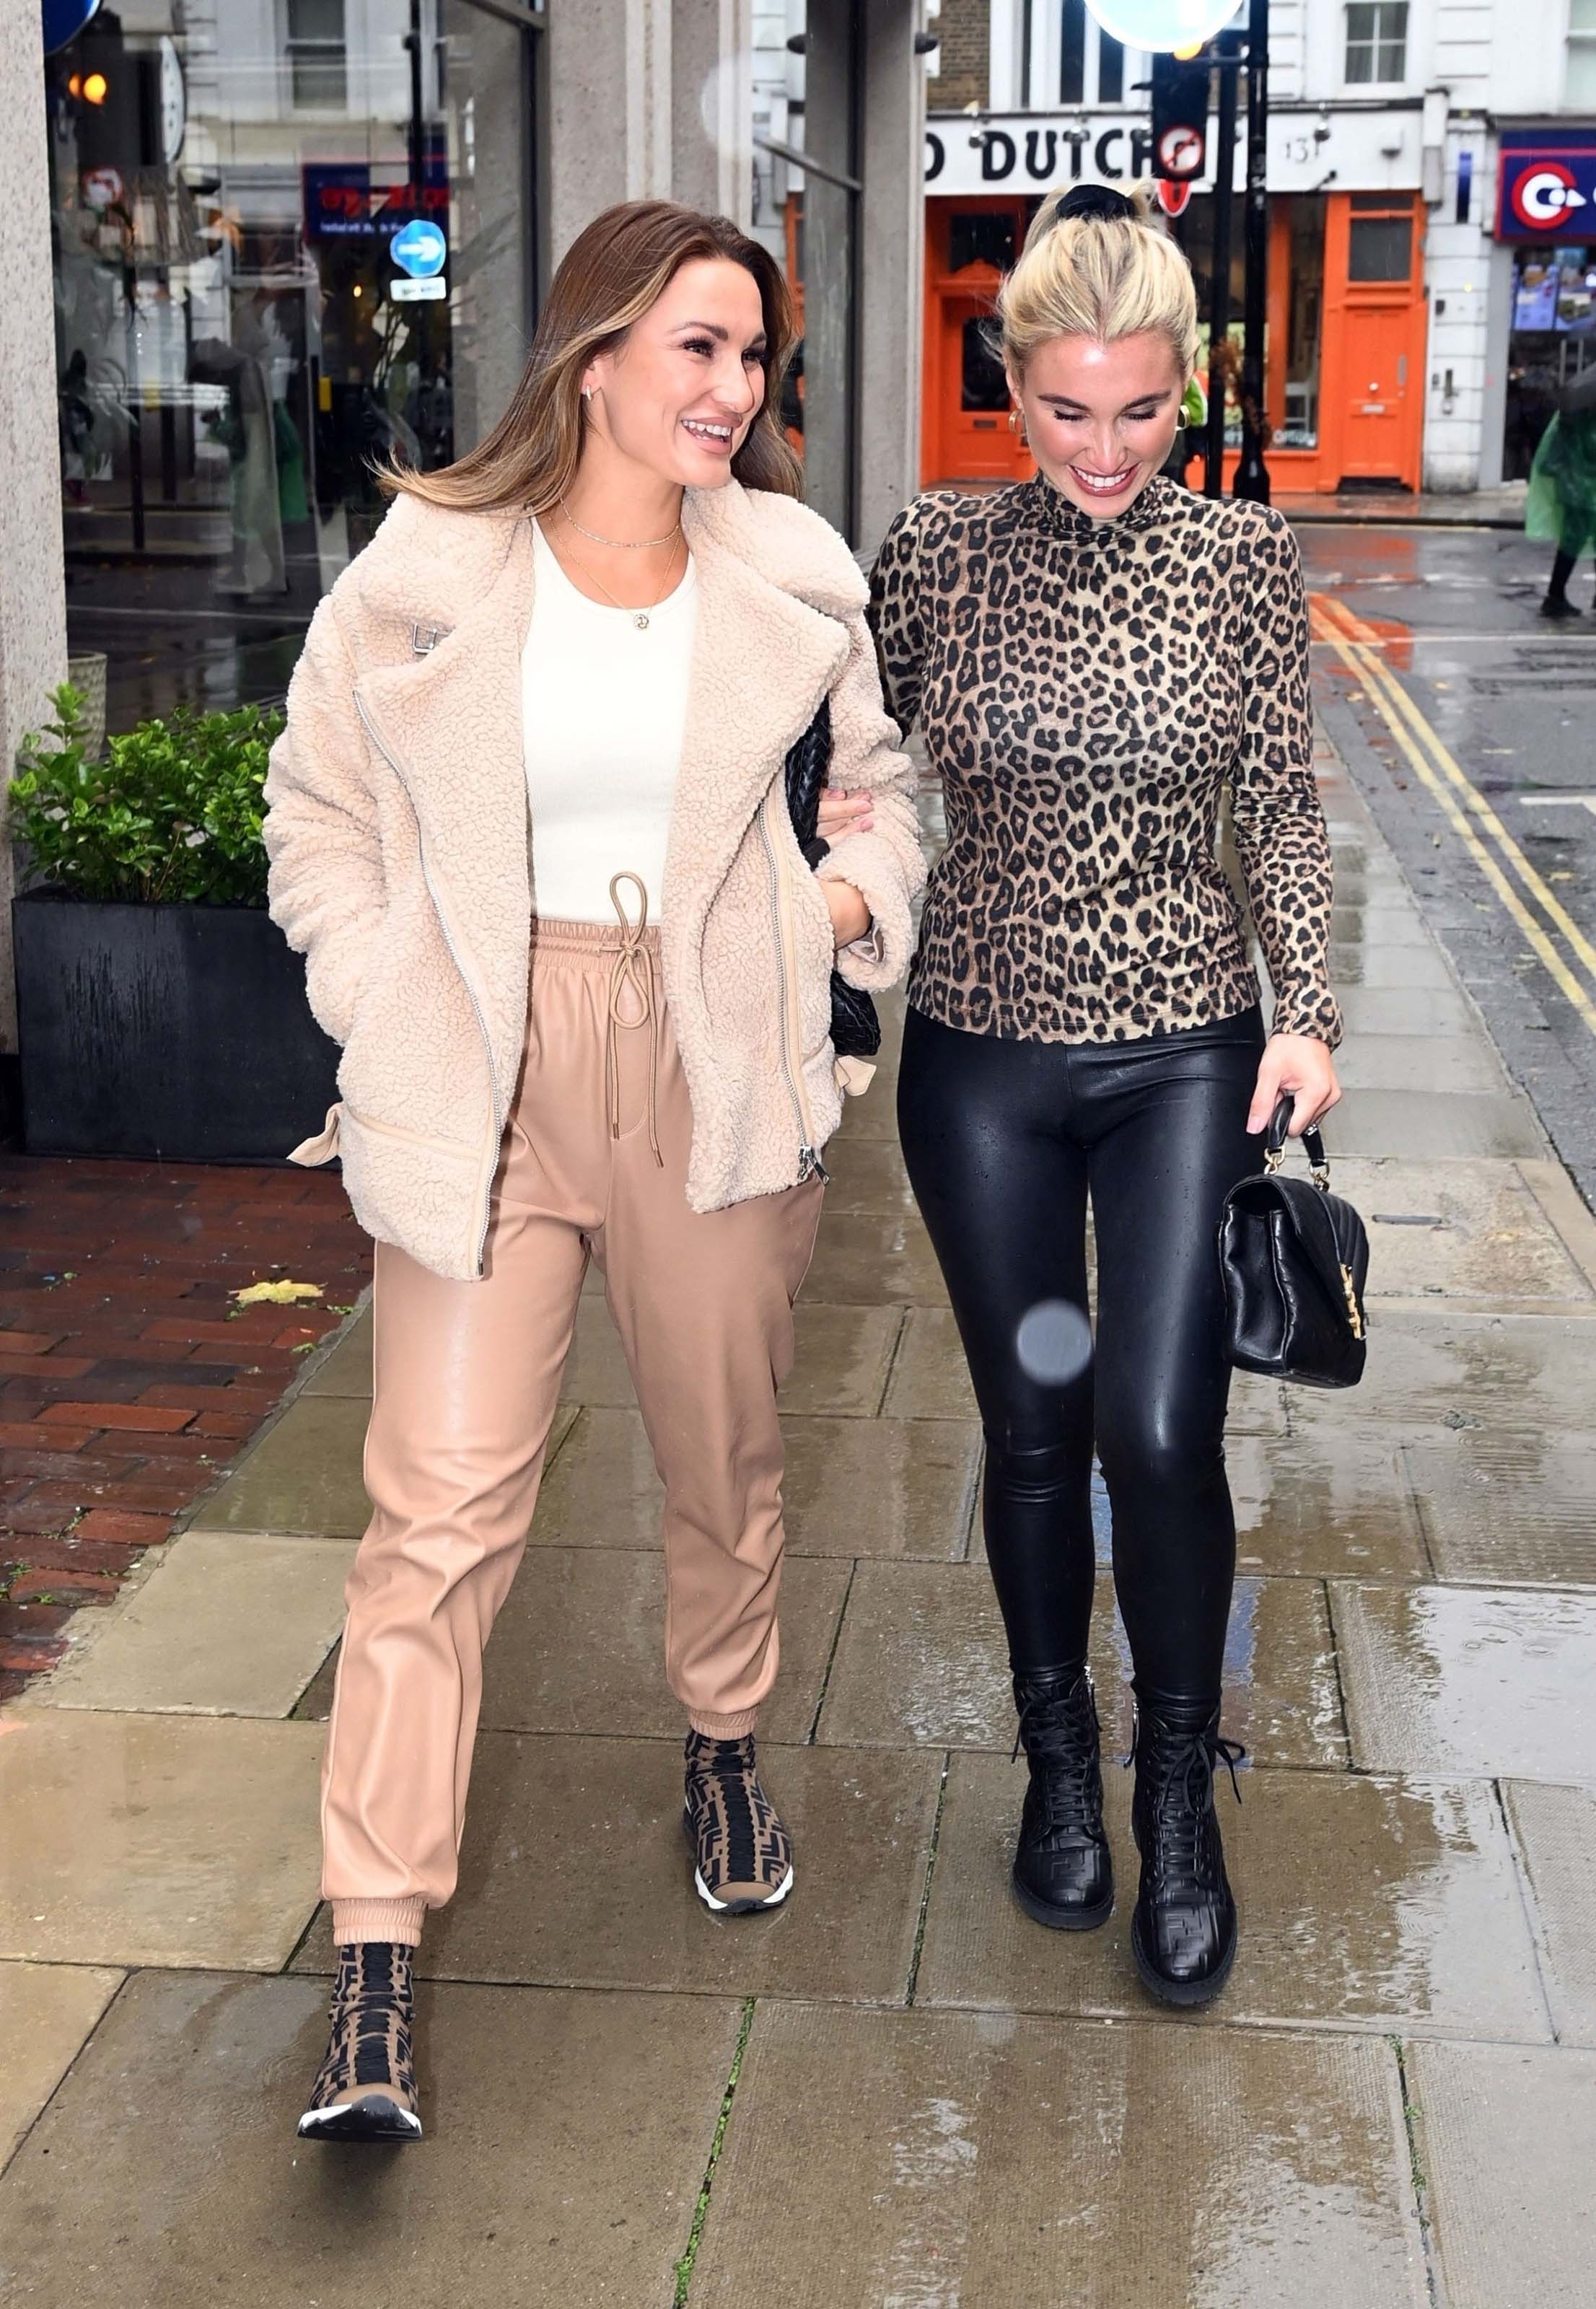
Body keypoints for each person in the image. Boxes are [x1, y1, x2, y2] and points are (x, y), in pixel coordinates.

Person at [265, 198, 924, 2139]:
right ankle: (374, 1947)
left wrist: (836, 907)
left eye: (753, 355)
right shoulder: (423, 574)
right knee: (437, 1509)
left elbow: (879, 796)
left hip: (712, 1047)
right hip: (483, 1055)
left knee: (721, 1456)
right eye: (699, 347)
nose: (734, 388)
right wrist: (377, 990)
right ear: (596, 354)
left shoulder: (792, 575)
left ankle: (722, 1738)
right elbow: (317, 815)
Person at [869, 183, 1341, 2010]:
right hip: (983, 1060)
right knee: (1033, 1430)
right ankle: (1058, 1759)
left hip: (1181, 1057)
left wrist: (1303, 1011)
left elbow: (1279, 803)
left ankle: (1175, 1794)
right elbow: (858, 764)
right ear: (1009, 386)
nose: (1103, 447)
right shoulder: (933, 551)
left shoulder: (1236, 561)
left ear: (1185, 386)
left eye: (1139, 409)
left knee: (1155, 1431)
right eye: (1066, 408)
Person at [1527, 395, 1596, 620]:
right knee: (1572, 541)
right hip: (1583, 489)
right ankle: (1554, 596)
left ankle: (1555, 596)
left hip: (1577, 487)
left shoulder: (1573, 412)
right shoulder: (1583, 418)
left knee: (1577, 539)